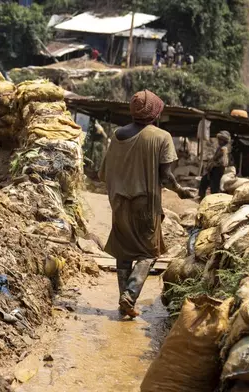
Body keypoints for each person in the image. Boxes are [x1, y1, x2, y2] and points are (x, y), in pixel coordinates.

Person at [99, 90, 194, 319]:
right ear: (155, 112)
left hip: (119, 201)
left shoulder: (117, 134)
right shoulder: (162, 137)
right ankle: (130, 295)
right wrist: (180, 190)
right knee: (148, 252)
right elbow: (166, 177)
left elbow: (104, 172)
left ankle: (124, 300)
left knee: (123, 251)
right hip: (145, 204)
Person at [198, 131, 231, 199]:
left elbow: (223, 162)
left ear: (224, 141)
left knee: (214, 187)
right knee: (204, 181)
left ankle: (215, 200)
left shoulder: (223, 149)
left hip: (218, 170)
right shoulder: (220, 148)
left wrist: (213, 163)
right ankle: (201, 197)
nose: (219, 141)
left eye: (220, 140)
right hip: (214, 170)